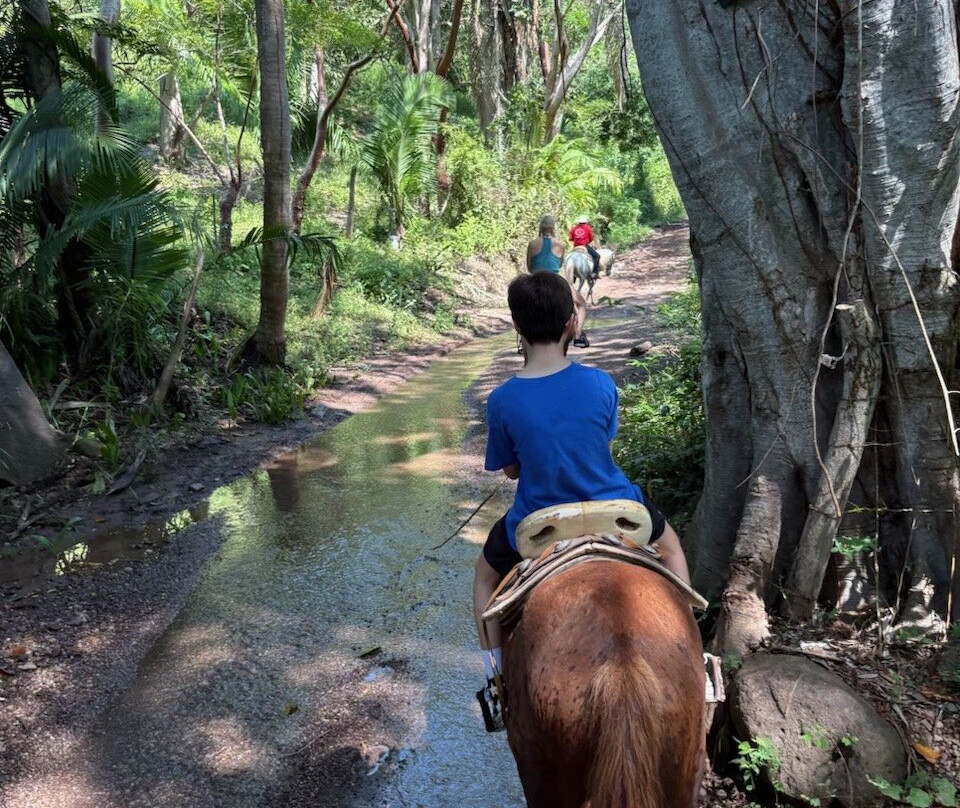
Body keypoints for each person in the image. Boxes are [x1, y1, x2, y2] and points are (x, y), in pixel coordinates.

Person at [472, 271, 692, 732]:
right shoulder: (600, 383)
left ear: (517, 326)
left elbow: (511, 470)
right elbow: (602, 446)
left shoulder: (503, 399)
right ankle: (689, 648)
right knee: (671, 548)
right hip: (616, 509)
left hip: (540, 518)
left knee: (485, 574)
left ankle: (495, 676)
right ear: (571, 322)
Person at [526, 214, 590, 349]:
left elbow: (529, 266)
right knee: (581, 304)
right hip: (554, 280)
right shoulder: (560, 244)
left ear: (541, 227)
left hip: (535, 279)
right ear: (553, 227)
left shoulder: (532, 243)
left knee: (521, 305)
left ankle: (523, 340)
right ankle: (578, 335)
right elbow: (560, 264)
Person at [568, 214, 601, 279]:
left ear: (578, 221)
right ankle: (595, 273)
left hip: (576, 247)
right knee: (597, 256)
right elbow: (591, 238)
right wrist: (586, 241)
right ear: (585, 222)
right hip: (584, 246)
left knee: (568, 258)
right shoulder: (588, 228)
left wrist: (576, 239)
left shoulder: (574, 228)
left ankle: (572, 274)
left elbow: (570, 238)